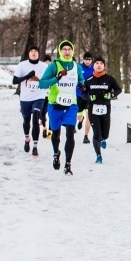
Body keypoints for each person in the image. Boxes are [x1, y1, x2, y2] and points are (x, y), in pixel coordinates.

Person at [39, 39, 86, 175]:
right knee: (56, 134)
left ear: (72, 51)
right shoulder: (54, 65)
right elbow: (42, 84)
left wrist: (82, 85)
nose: (67, 52)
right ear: (60, 51)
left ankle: (68, 164)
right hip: (55, 105)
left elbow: (81, 79)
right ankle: (56, 153)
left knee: (70, 132)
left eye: (69, 49)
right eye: (64, 49)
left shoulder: (76, 66)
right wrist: (55, 79)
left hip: (71, 105)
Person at [83, 56, 122, 163]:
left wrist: (111, 95)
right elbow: (83, 92)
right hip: (92, 110)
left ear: (104, 66)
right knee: (96, 133)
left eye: (101, 63)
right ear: (93, 66)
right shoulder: (89, 80)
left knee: (105, 134)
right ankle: (98, 155)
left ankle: (103, 138)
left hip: (105, 109)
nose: (99, 65)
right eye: (97, 63)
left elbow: (119, 89)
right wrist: (88, 97)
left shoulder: (109, 79)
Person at [12, 45, 48, 157]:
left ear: (38, 53)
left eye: (35, 51)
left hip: (39, 96)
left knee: (36, 116)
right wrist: (27, 76)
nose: (33, 53)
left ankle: (35, 147)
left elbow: (49, 79)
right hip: (25, 98)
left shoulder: (44, 66)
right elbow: (14, 81)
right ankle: (27, 138)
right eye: (31, 51)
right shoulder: (22, 65)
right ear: (28, 54)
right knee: (26, 120)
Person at [76, 51, 95, 144]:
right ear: (83, 59)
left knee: (89, 116)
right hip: (79, 95)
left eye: (89, 59)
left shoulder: (94, 68)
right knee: (79, 116)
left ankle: (86, 136)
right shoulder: (78, 67)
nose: (88, 61)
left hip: (89, 96)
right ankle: (80, 120)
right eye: (86, 59)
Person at [40, 55, 52, 139]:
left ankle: (50, 131)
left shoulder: (53, 71)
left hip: (51, 96)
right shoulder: (40, 72)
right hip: (42, 96)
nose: (47, 63)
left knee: (51, 113)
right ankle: (44, 128)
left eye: (49, 61)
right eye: (45, 61)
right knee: (42, 113)